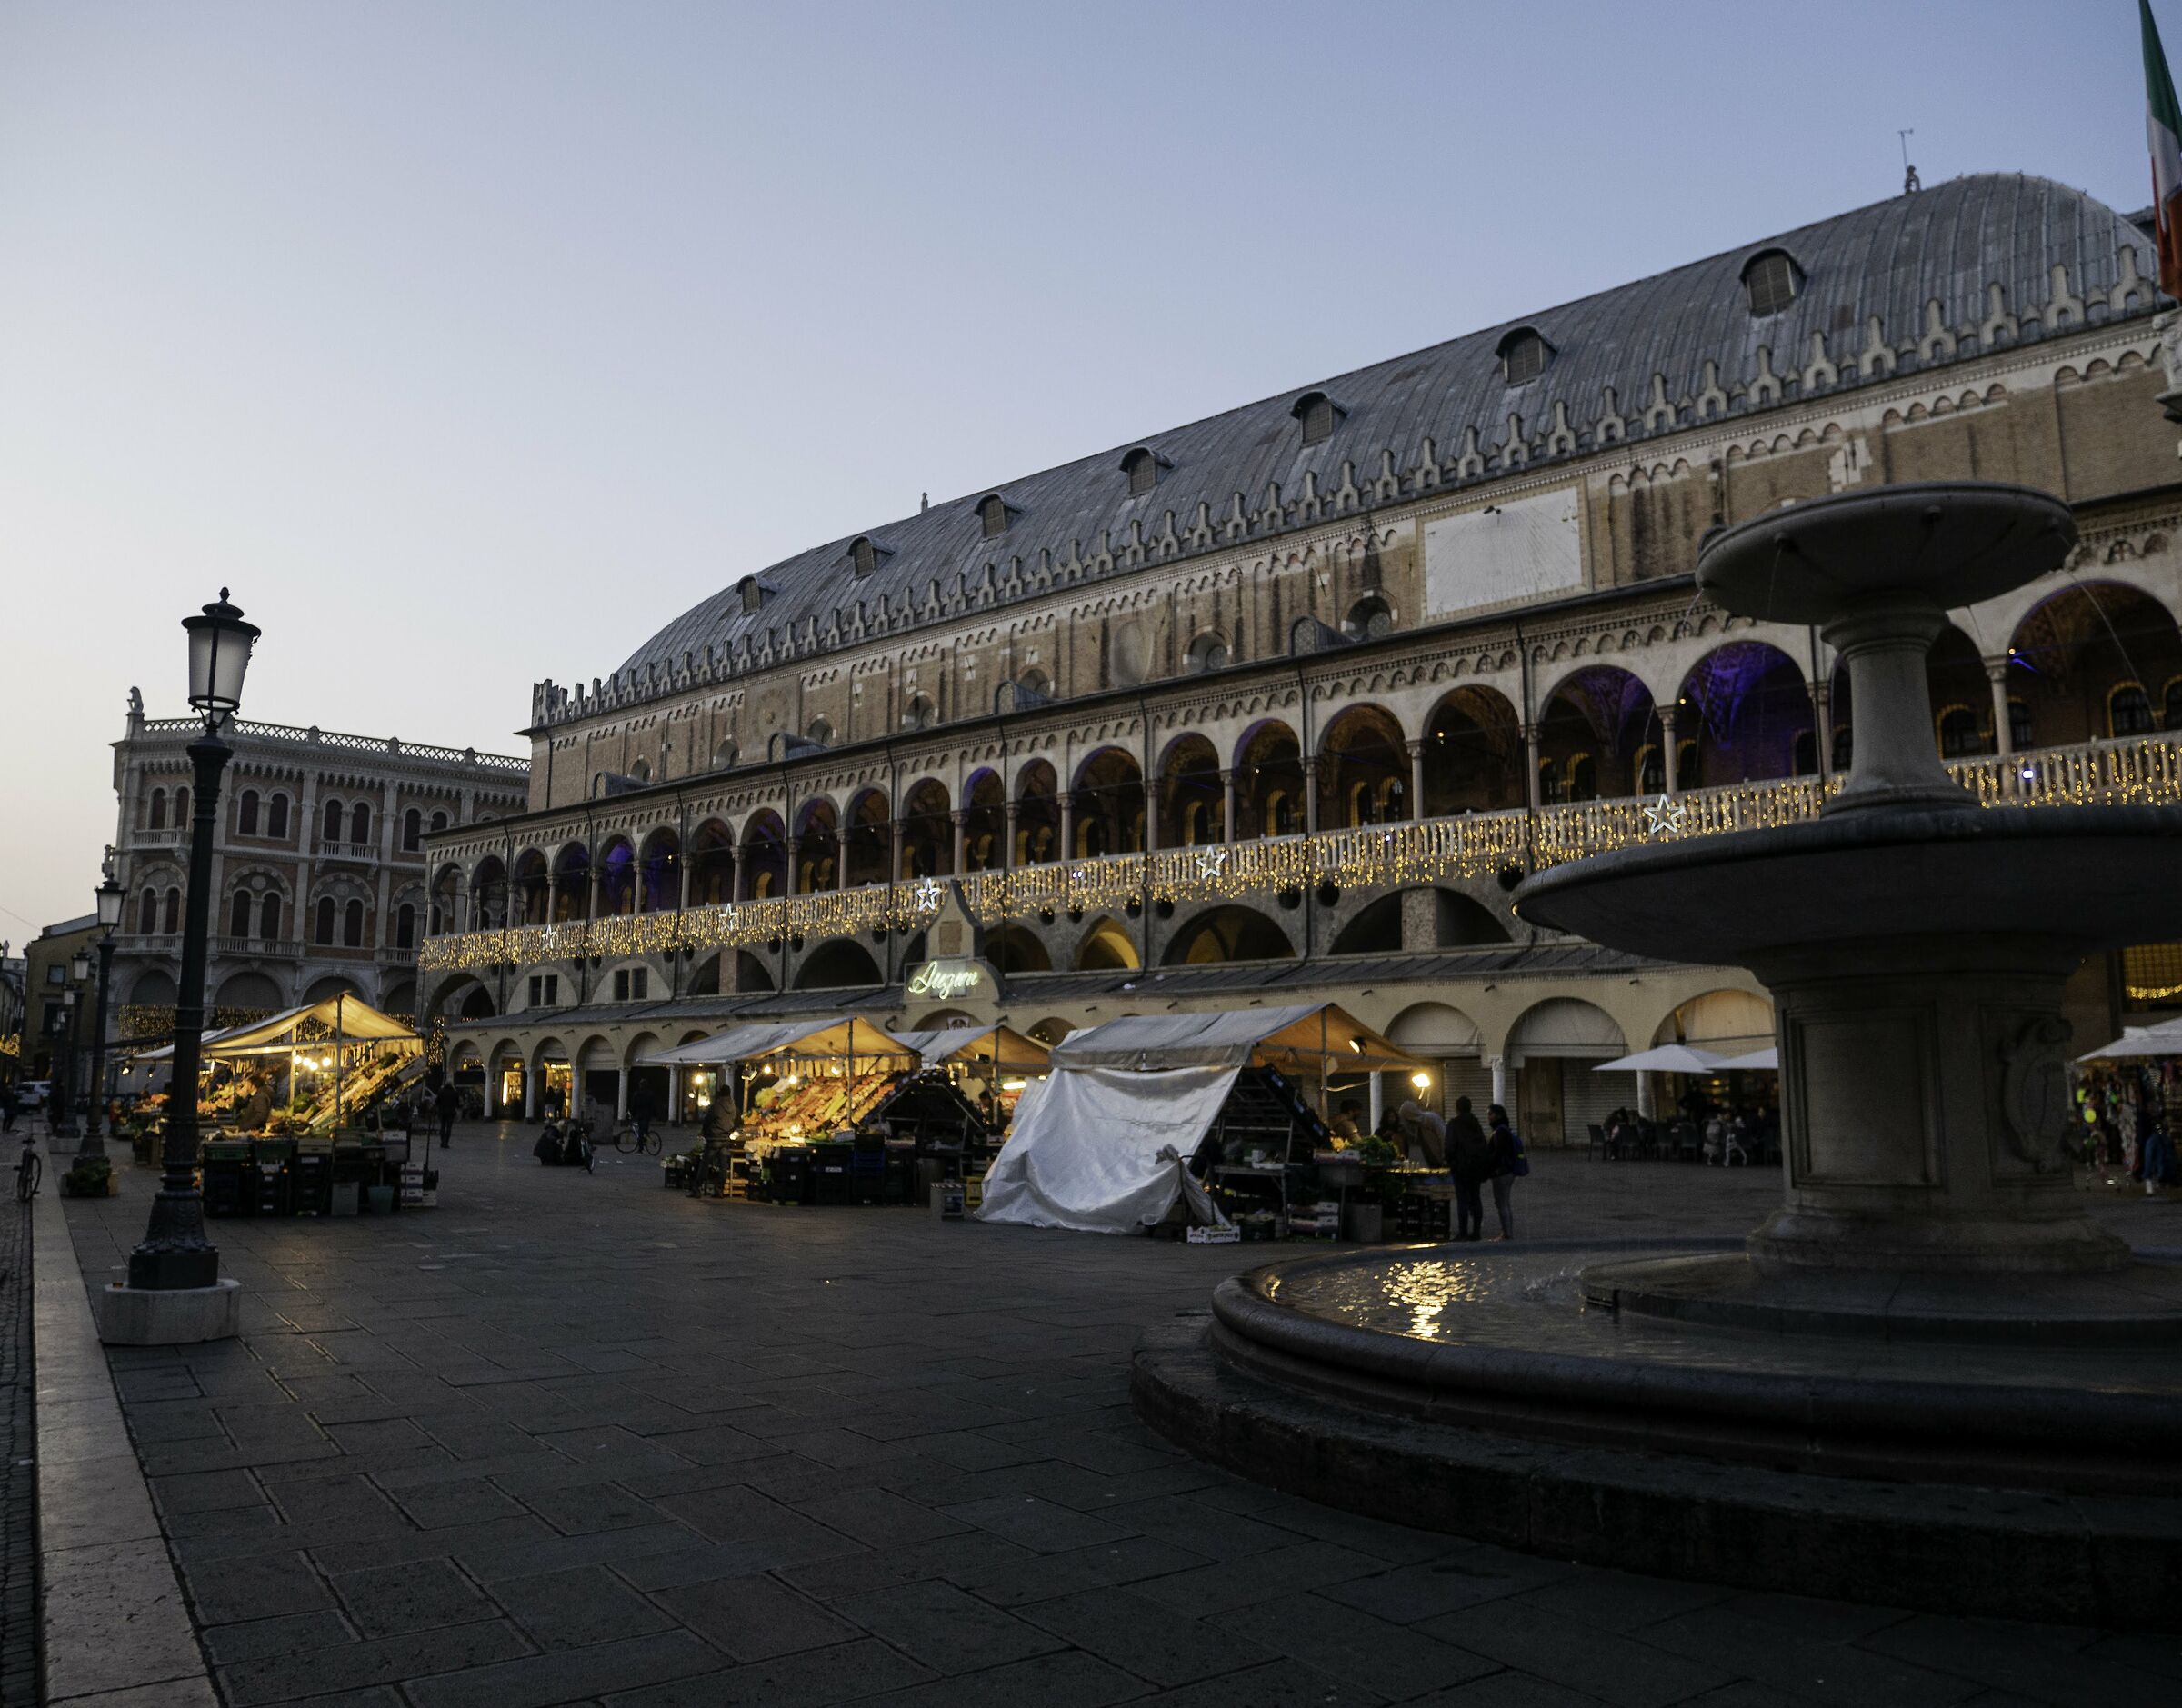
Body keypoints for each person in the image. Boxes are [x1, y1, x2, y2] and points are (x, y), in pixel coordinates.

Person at [1446, 1095, 1491, 1241]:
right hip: (1476, 1168)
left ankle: (1463, 1231)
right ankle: (1476, 1231)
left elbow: (1449, 1147)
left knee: (1462, 1200)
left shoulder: (1454, 1124)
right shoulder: (1475, 1124)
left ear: (1457, 1108)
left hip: (1460, 1168)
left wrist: (1451, 1162)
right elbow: (1483, 1145)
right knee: (1475, 1198)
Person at [1485, 1103, 1524, 1240]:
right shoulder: (1504, 1129)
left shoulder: (1500, 1131)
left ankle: (1506, 1233)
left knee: (1502, 1203)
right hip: (1507, 1172)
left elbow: (1498, 1154)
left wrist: (1489, 1168)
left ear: (1498, 1115)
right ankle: (1507, 1232)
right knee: (1504, 1202)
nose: (1488, 1117)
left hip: (1502, 1173)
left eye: (1491, 1114)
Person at [435, 1078, 459, 1149]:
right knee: (449, 1128)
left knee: (442, 1127)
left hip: (442, 1112)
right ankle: (446, 1142)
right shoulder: (455, 1093)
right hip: (451, 1112)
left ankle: (442, 1141)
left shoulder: (441, 1091)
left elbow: (437, 1102)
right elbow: (457, 1103)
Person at [628, 1080, 654, 1146]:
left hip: (640, 1115)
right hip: (647, 1115)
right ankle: (646, 1138)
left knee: (640, 1131)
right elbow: (652, 1105)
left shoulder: (637, 1094)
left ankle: (640, 1149)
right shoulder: (650, 1094)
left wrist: (632, 1113)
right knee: (644, 1129)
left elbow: (634, 1105)